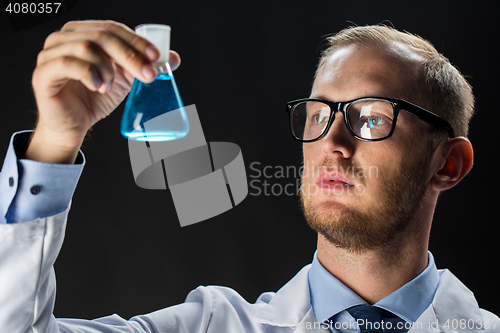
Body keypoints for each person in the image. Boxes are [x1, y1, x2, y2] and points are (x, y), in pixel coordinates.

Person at [0, 20, 497, 333]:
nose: (332, 144)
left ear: (447, 165)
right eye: (317, 114)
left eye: (371, 119)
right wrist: (54, 142)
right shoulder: (213, 325)